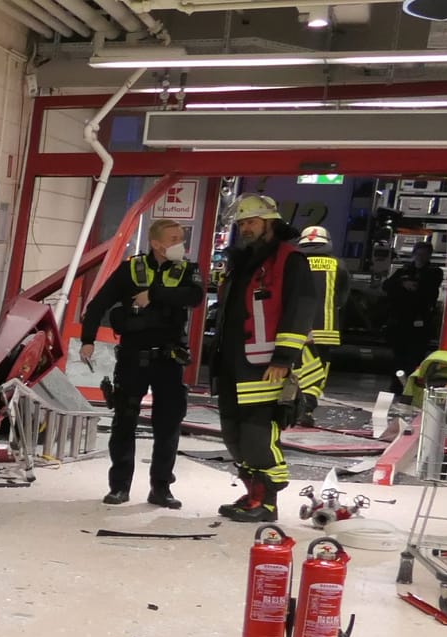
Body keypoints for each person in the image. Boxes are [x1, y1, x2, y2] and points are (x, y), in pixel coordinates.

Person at [211, 195, 322, 523]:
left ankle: (267, 501)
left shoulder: (291, 260)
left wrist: (284, 358)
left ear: (270, 223)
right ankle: (252, 494)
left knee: (258, 435)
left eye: (252, 222)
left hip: (266, 367)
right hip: (233, 364)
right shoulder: (242, 261)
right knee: (233, 434)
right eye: (242, 223)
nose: (245, 228)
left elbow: (300, 309)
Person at [80, 218, 204, 509]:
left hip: (169, 359)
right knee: (124, 422)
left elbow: (195, 296)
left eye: (181, 237)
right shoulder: (131, 269)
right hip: (133, 359)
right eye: (174, 238)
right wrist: (88, 340)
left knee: (168, 424)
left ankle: (161, 488)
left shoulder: (187, 269)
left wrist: (155, 294)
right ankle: (119, 487)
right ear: (157, 243)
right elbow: (98, 304)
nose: (180, 243)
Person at [296, 225, 341, 427]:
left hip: (296, 328)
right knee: (319, 370)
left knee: (297, 367)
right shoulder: (338, 265)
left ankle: (292, 405)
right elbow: (342, 297)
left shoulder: (294, 264)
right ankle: (306, 407)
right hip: (326, 329)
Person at [384, 241, 443, 392]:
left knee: (415, 357)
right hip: (400, 319)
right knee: (399, 356)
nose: (420, 257)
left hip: (420, 319)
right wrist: (402, 283)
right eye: (418, 253)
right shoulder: (404, 270)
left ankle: (412, 387)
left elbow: (428, 288)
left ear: (429, 256)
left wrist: (413, 285)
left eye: (424, 254)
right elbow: (387, 286)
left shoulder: (434, 271)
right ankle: (396, 385)